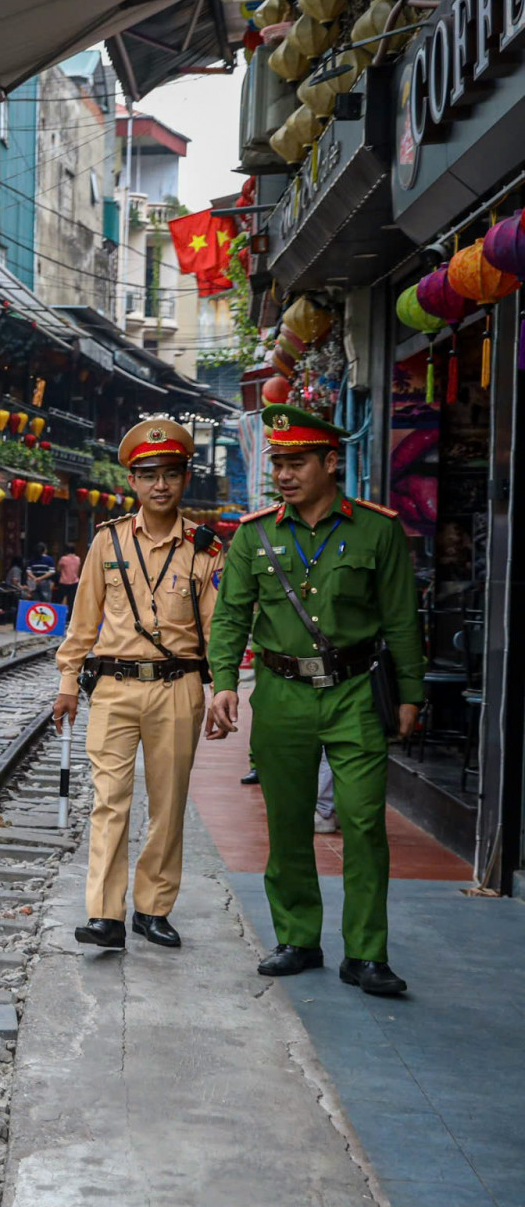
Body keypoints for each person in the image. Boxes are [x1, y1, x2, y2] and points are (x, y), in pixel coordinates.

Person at [206, 404, 424, 997]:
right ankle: (298, 938)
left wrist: (411, 694)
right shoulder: (255, 535)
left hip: (355, 694)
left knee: (362, 823)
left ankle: (367, 953)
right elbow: (229, 617)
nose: (283, 473)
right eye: (277, 462)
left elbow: (403, 621)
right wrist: (223, 681)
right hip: (279, 696)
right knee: (288, 823)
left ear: (332, 462)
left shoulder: (377, 531)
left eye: (296, 462)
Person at [54, 419, 222, 951]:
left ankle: (153, 908)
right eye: (149, 475)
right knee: (110, 800)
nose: (160, 486)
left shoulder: (205, 549)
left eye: (171, 474)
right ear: (132, 481)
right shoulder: (107, 542)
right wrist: (65, 683)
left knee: (169, 804)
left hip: (178, 688)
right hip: (113, 688)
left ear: (185, 479)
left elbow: (218, 631)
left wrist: (224, 689)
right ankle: (105, 915)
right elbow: (83, 623)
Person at [55, 543, 83, 608]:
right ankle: (70, 617)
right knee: (72, 602)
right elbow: (77, 570)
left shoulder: (63, 559)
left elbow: (58, 569)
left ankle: (59, 615)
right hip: (74, 582)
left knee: (59, 600)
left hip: (64, 582)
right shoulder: (78, 559)